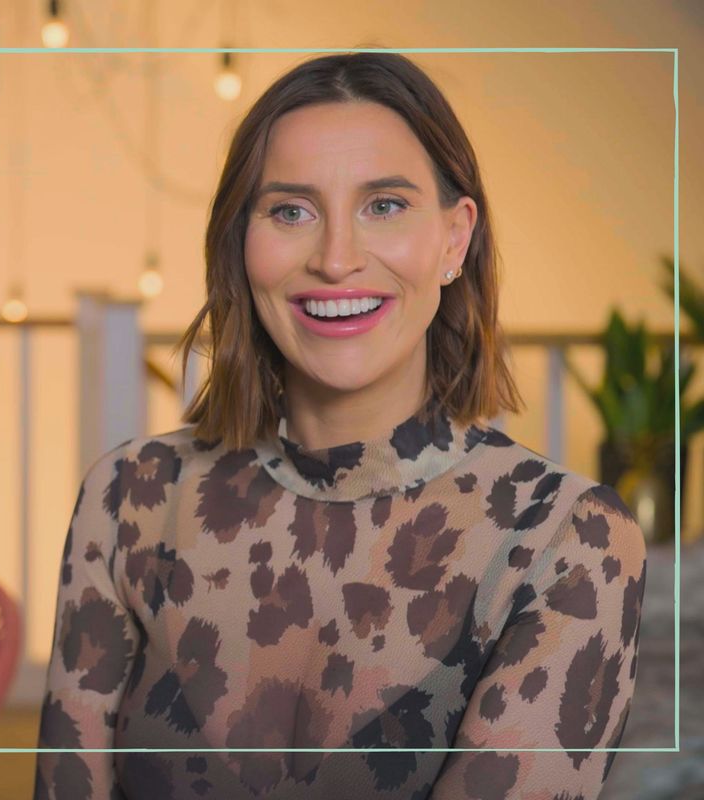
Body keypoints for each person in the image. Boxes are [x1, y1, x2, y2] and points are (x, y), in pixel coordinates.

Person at [33, 51, 646, 799]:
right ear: (241, 241)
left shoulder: (567, 540)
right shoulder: (130, 498)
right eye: (291, 211)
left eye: (383, 205)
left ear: (454, 239)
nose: (335, 259)